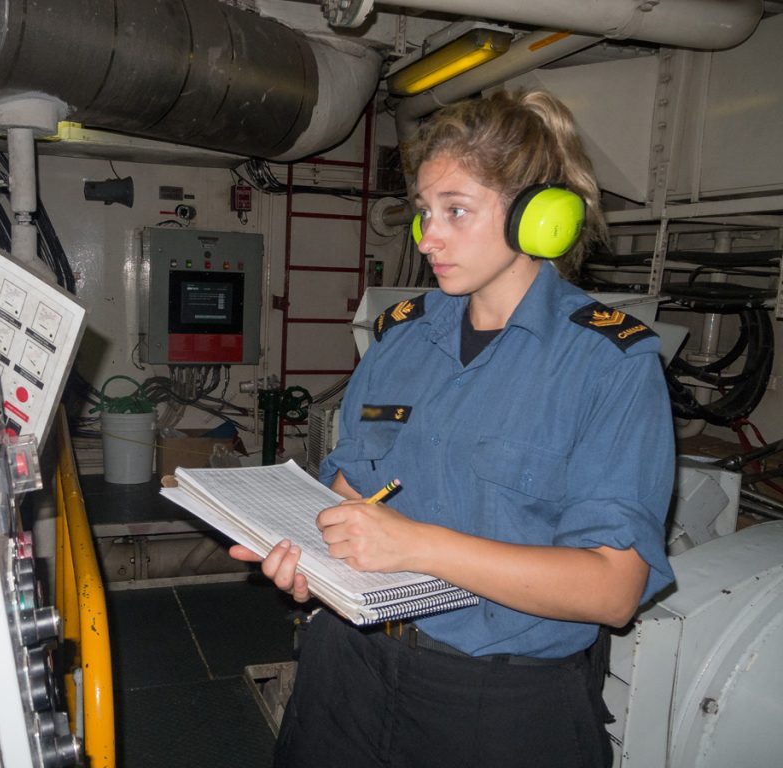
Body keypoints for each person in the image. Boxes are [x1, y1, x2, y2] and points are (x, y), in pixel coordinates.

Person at [231, 89, 675, 768]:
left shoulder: (607, 363)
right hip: (346, 668)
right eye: (424, 213)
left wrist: (418, 546)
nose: (427, 238)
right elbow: (351, 492)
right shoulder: (400, 339)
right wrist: (305, 556)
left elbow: (613, 591)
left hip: (496, 703)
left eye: (456, 211)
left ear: (540, 220)